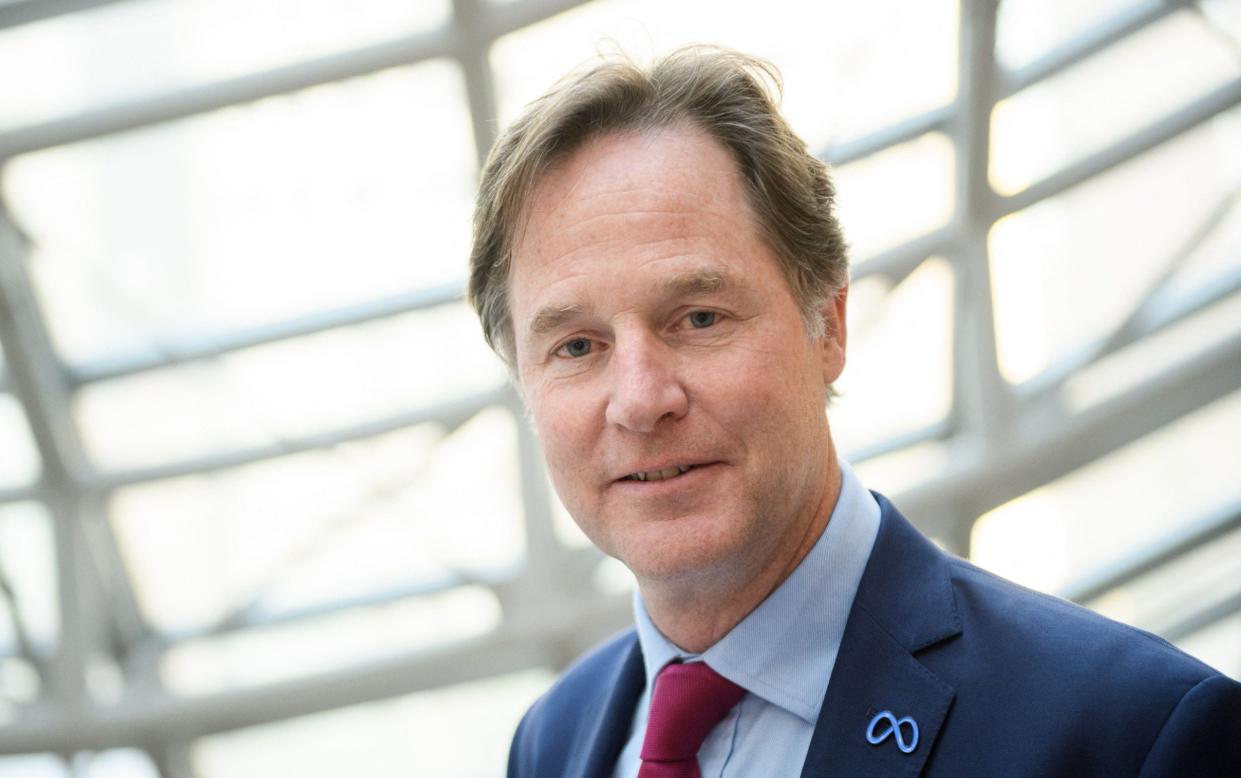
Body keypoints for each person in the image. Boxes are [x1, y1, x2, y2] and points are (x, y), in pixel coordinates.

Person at [467, 45, 1241, 777]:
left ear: (828, 325)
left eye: (697, 318)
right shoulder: (555, 739)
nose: (640, 401)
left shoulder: (1130, 734)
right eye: (575, 346)